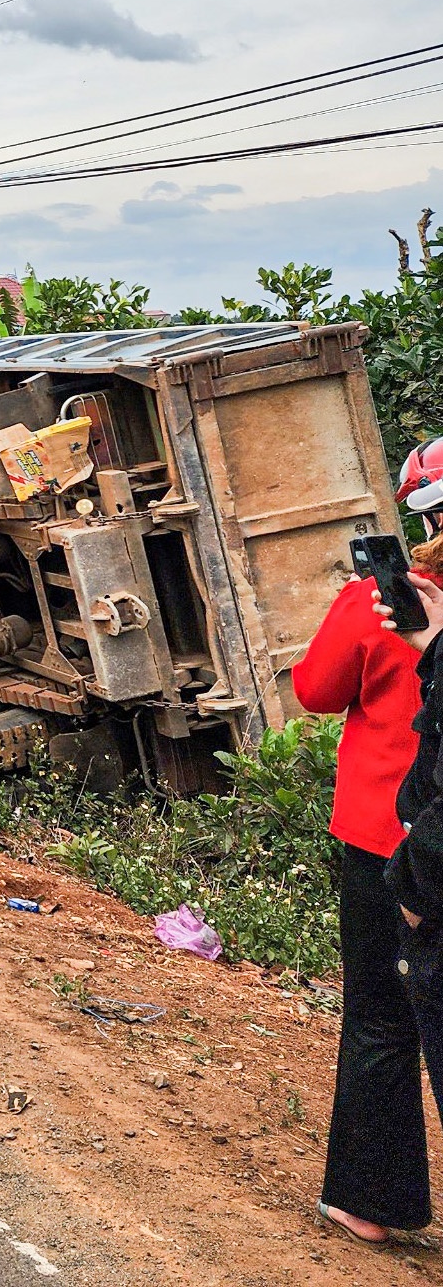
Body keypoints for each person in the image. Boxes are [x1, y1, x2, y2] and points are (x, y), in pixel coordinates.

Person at [307, 442, 443, 1242]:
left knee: (382, 1021)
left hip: (388, 843)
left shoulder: (383, 602)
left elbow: (317, 691)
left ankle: (371, 1202)